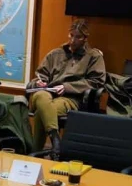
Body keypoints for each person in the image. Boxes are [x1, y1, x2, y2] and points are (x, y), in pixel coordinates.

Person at [26, 19, 106, 158]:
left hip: (70, 98)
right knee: (40, 95)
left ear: (85, 39)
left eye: (78, 37)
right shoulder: (55, 54)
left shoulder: (94, 56)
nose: (73, 40)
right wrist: (40, 82)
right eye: (71, 35)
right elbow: (41, 74)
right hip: (48, 94)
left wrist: (67, 87)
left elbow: (96, 82)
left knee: (41, 111)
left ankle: (35, 152)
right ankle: (56, 139)